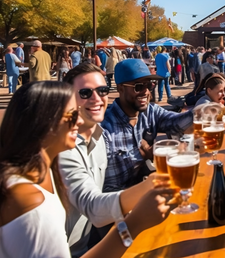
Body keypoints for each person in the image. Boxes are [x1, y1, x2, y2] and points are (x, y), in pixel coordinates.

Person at [0, 81, 173, 258]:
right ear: (43, 122)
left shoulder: (35, 172)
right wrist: (134, 223)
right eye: (72, 114)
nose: (80, 120)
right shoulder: (34, 206)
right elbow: (93, 206)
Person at [58, 63, 167, 257]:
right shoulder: (65, 148)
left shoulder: (99, 135)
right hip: (72, 250)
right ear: (68, 100)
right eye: (85, 93)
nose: (97, 98)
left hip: (92, 237)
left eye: (102, 90)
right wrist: (148, 188)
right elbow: (92, 206)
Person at [102, 59, 194, 192]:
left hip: (146, 190)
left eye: (149, 85)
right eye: (138, 87)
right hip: (118, 204)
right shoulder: (105, 127)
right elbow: (108, 189)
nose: (146, 92)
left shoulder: (150, 111)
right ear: (120, 88)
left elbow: (175, 123)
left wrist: (201, 112)